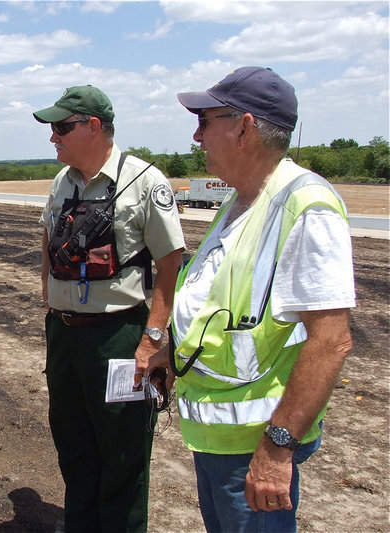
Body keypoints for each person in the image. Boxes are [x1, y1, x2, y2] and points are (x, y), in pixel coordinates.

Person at [153, 66, 355, 532]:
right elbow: (222, 309)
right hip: (218, 444)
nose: (196, 135)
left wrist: (277, 448)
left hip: (253, 453)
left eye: (205, 120)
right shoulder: (240, 202)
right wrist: (173, 351)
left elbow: (331, 340)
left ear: (244, 127)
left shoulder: (306, 207)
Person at [34, 85, 185, 532]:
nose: (53, 138)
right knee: (73, 441)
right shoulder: (63, 182)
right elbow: (46, 234)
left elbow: (171, 263)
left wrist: (154, 338)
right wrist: (49, 291)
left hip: (119, 337)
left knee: (122, 450)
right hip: (64, 334)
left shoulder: (144, 182)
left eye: (62, 127)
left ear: (93, 127)